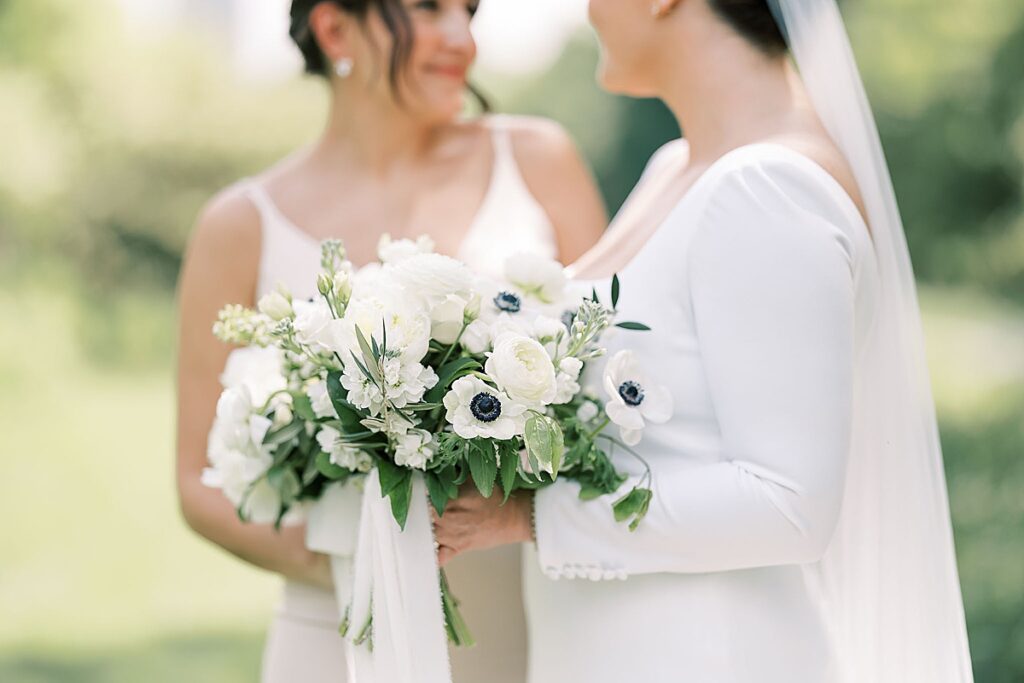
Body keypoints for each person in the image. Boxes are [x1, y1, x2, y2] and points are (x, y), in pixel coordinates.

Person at [433, 0, 975, 681]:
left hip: (707, 653)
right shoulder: (678, 168)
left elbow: (789, 503)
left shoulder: (765, 188)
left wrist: (530, 517)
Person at [175, 1, 606, 681]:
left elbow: (606, 403)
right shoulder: (239, 224)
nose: (462, 38)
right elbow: (196, 486)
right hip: (338, 630)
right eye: (428, 9)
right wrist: (374, 561)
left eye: (468, 11)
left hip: (531, 624)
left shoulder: (539, 161)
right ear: (336, 28)